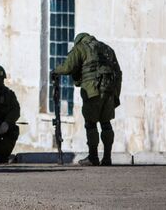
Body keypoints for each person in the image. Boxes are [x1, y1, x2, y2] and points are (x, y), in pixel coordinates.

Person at [51, 32, 122, 166]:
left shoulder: (81, 48)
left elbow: (68, 67)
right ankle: (107, 158)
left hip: (92, 91)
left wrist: (55, 71)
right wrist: (116, 95)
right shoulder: (107, 49)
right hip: (109, 91)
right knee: (106, 123)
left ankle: (93, 157)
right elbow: (118, 73)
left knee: (91, 123)